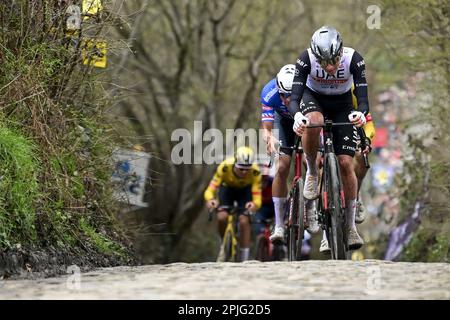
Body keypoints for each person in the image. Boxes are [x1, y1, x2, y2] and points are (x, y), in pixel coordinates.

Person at [288, 25, 371, 250]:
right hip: (313, 97)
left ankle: (351, 226)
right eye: (324, 63)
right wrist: (297, 116)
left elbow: (362, 98)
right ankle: (313, 172)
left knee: (346, 163)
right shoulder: (305, 59)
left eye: (334, 60)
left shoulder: (354, 59)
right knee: (313, 120)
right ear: (316, 57)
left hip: (342, 103)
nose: (331, 67)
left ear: (340, 51)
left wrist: (360, 114)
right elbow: (294, 97)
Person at [260, 64, 320, 244]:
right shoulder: (269, 92)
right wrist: (270, 139)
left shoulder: (311, 88)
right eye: (283, 95)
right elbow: (267, 129)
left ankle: (311, 208)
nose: (286, 100)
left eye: (291, 95)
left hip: (306, 119)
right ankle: (279, 225)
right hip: (284, 123)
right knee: (282, 167)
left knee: (314, 161)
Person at [204, 146, 262, 262]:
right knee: (222, 217)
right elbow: (210, 190)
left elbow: (257, 198)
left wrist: (253, 205)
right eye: (241, 169)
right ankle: (223, 243)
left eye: (247, 169)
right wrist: (211, 200)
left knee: (244, 220)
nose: (244, 172)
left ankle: (244, 256)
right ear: (235, 164)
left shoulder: (255, 172)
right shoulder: (224, 167)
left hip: (244, 192)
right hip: (227, 190)